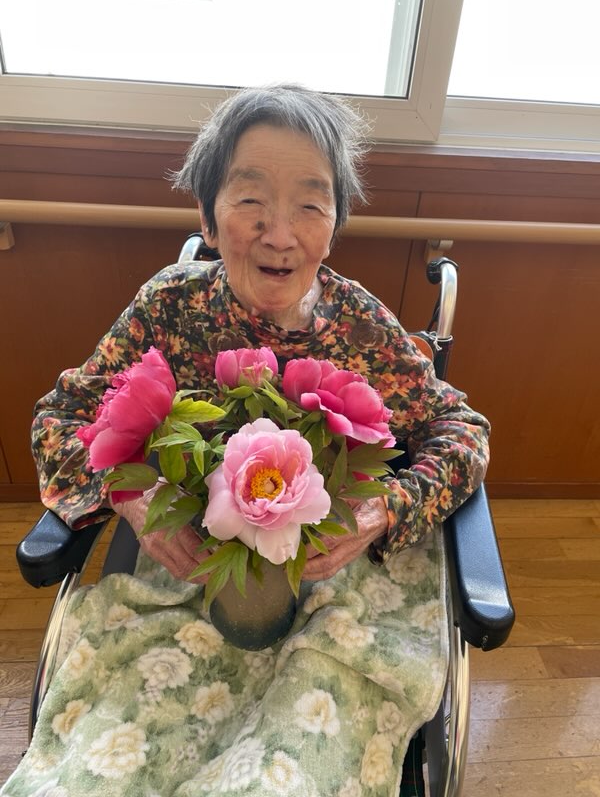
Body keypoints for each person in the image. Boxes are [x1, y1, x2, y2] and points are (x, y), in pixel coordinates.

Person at [4, 84, 490, 797]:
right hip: (194, 576)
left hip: (333, 589)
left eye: (311, 206)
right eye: (251, 199)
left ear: (335, 225)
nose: (280, 233)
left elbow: (462, 431)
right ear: (208, 215)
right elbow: (61, 417)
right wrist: (133, 496)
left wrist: (380, 511)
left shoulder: (361, 328)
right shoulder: (171, 308)